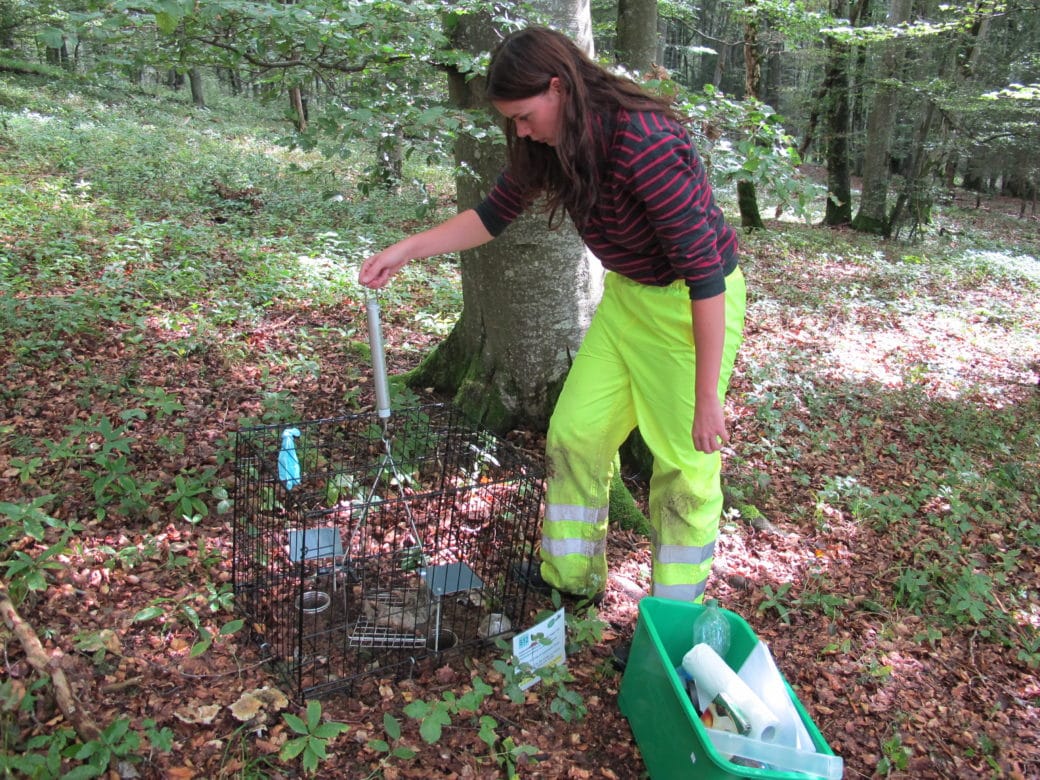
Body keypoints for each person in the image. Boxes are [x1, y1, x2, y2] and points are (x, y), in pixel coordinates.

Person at [359, 26, 745, 611]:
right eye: (510, 119)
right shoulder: (554, 142)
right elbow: (492, 216)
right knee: (576, 435)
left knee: (684, 473)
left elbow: (705, 272)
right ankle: (571, 578)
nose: (519, 129)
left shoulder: (644, 142)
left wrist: (707, 396)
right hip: (628, 302)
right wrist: (405, 250)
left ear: (559, 88)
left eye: (522, 115)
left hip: (687, 310)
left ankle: (672, 623)